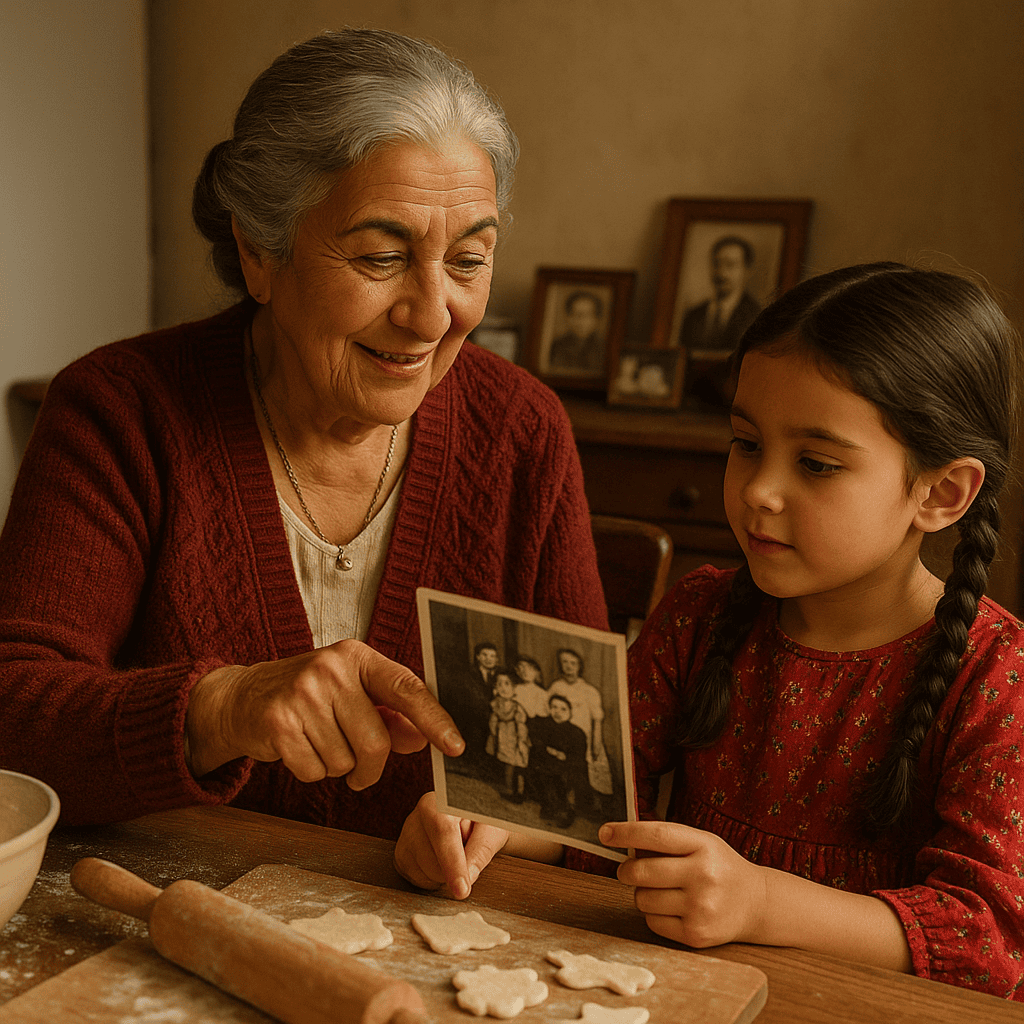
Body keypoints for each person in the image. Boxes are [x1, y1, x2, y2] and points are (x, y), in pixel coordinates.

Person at [0, 29, 608, 838]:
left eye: (468, 261)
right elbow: (13, 715)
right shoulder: (122, 413)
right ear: (258, 251)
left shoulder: (520, 431)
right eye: (382, 256)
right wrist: (222, 707)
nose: (432, 315)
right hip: (170, 916)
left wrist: (505, 834)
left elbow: (583, 791)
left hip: (432, 942)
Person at [393, 262, 1024, 1000]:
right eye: (746, 443)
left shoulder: (997, 675)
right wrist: (482, 825)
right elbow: (589, 806)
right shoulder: (700, 614)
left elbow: (989, 939)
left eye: (816, 464)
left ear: (942, 493)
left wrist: (759, 902)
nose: (759, 490)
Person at [549, 648, 611, 812]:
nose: (569, 666)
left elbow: (597, 720)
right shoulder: (556, 686)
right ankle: (566, 806)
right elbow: (548, 711)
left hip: (586, 739)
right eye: (565, 662)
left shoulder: (589, 691)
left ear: (579, 666)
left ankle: (594, 807)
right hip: (563, 739)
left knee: (593, 772)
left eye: (573, 663)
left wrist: (596, 744)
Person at [678, 235, 761, 354]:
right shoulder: (693, 316)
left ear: (746, 270)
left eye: (730, 265)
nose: (722, 273)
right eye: (717, 264)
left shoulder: (756, 317)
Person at [527, 694, 589, 828]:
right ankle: (549, 806)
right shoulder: (543, 724)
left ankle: (564, 810)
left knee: (563, 777)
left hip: (567, 765)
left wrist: (565, 757)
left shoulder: (576, 733)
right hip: (546, 762)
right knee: (542, 771)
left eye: (563, 709)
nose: (558, 712)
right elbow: (536, 740)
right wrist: (549, 751)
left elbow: (579, 757)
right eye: (554, 707)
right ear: (549, 708)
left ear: (570, 712)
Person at [485, 670, 529, 801]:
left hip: (515, 738)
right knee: (507, 765)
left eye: (507, 684)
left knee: (518, 765)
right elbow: (493, 721)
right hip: (502, 737)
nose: (503, 688)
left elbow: (521, 726)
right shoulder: (495, 705)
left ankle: (520, 792)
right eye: (499, 684)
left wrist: (522, 741)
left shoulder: (516, 707)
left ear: (514, 688)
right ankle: (509, 790)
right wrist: (493, 734)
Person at [547, 291, 605, 373]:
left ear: (596, 319)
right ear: (568, 318)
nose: (580, 321)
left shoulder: (604, 348)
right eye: (575, 314)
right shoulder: (556, 346)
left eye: (587, 315)